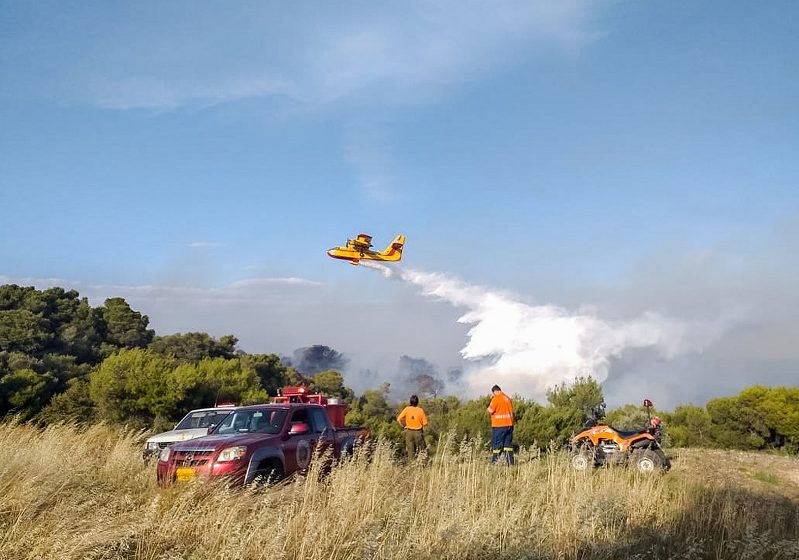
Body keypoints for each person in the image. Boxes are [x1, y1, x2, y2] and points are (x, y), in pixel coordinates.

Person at [487, 384, 514, 465]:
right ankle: (510, 463)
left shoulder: (496, 399)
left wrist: (488, 408)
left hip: (499, 426)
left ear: (495, 391)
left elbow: (490, 410)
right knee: (508, 446)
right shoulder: (507, 398)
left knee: (496, 445)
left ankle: (494, 463)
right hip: (509, 425)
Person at [397, 395, 428, 459]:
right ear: (417, 402)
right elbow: (425, 423)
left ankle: (411, 466)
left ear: (410, 402)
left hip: (409, 433)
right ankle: (423, 466)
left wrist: (403, 427)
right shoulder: (420, 410)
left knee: (410, 452)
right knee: (422, 451)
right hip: (418, 432)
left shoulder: (407, 409)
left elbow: (398, 419)